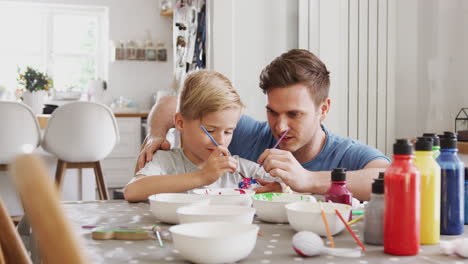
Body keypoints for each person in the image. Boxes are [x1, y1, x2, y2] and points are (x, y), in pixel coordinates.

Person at [137, 49, 390, 201]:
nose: (280, 127)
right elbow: (173, 104)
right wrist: (156, 134)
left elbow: (391, 180)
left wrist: (309, 180)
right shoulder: (246, 133)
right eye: (272, 112)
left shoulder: (346, 153)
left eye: (294, 114)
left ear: (323, 109)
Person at [124, 70, 282, 202]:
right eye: (210, 130)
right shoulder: (166, 162)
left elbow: (285, 188)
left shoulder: (239, 169)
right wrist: (202, 176)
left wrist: (281, 189)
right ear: (180, 122)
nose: (220, 140)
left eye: (228, 131)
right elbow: (132, 191)